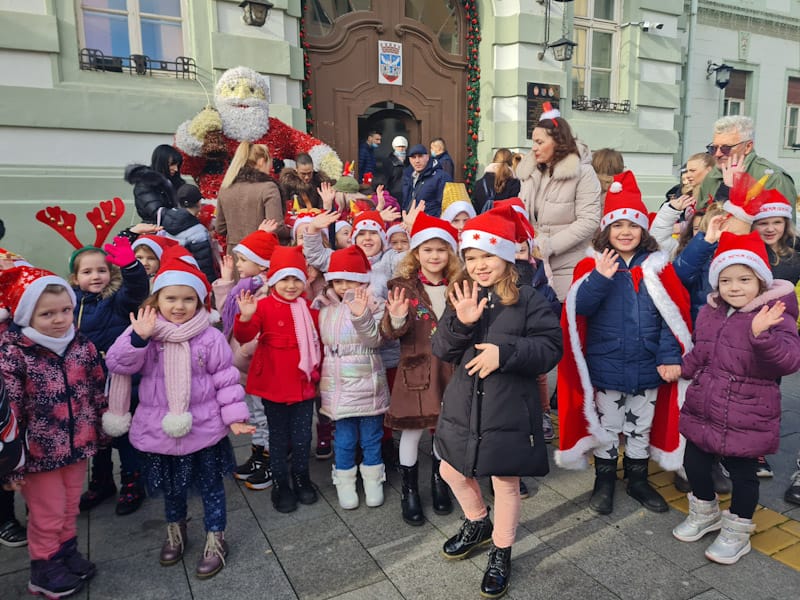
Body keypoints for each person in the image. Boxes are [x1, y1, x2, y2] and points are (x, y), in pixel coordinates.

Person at [433, 206, 562, 598]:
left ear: (507, 255)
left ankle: (501, 551)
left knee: (505, 482)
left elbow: (549, 347)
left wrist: (503, 354)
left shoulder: (529, 298)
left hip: (508, 409)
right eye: (471, 257)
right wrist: (461, 323)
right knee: (451, 470)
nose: (478, 265)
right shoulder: (461, 294)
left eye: (487, 255)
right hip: (463, 406)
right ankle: (477, 521)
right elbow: (442, 347)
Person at [104, 257, 252, 579]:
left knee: (212, 487)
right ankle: (176, 529)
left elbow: (225, 379)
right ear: (157, 299)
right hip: (161, 431)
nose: (180, 306)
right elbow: (118, 363)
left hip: (204, 429)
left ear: (199, 301)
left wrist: (235, 416)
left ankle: (216, 537)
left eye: (188, 299)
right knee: (172, 489)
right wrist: (138, 339)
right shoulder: (144, 331)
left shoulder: (209, 337)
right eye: (171, 298)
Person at [556, 171, 692, 517]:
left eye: (632, 225)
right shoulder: (593, 265)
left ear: (643, 231)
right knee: (607, 426)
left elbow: (672, 318)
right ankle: (604, 481)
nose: (625, 232)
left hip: (648, 367)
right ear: (606, 231)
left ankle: (637, 479)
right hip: (606, 366)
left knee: (640, 427)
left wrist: (669, 355)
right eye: (617, 226)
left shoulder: (658, 267)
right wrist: (599, 279)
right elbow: (579, 309)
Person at [674, 231, 800, 564]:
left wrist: (761, 336)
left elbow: (789, 360)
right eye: (726, 279)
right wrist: (682, 369)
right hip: (706, 405)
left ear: (761, 280)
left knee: (743, 474)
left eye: (745, 278)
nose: (734, 287)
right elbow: (702, 351)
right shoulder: (711, 312)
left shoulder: (776, 314)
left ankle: (737, 530)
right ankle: (705, 512)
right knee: (694, 464)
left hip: (748, 413)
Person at [0, 266, 107, 598]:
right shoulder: (14, 353)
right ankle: (44, 567)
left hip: (78, 443)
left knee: (70, 504)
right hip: (38, 454)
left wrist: (102, 428)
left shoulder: (80, 344)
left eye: (65, 310)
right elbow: (9, 411)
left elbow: (96, 386)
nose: (60, 319)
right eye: (47, 314)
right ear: (24, 313)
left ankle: (65, 551)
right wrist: (11, 464)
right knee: (47, 511)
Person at [382, 214, 460, 525]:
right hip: (415, 371)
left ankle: (440, 484)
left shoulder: (459, 286)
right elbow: (391, 331)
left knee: (442, 431)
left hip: (449, 370)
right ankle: (410, 491)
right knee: (412, 432)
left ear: (451, 253)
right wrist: (398, 318)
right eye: (427, 249)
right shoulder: (403, 288)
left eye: (441, 249)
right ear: (416, 253)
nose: (434, 256)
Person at [233, 246, 322, 514]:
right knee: (279, 437)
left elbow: (321, 340)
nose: (291, 285)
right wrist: (246, 316)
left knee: (303, 436)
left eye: (296, 279)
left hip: (303, 384)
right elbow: (244, 336)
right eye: (284, 279)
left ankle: (301, 477)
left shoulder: (309, 308)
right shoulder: (263, 306)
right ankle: (281, 483)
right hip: (273, 384)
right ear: (273, 280)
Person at [69, 238, 150, 516]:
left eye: (101, 270)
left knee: (123, 430)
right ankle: (102, 480)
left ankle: (132, 480)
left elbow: (137, 290)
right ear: (75, 277)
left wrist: (130, 266)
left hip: (119, 379)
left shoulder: (116, 299)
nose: (95, 276)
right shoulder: (71, 304)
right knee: (97, 434)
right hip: (87, 381)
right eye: (87, 272)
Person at [314, 246, 389, 509]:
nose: (343, 285)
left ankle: (373, 479)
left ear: (364, 280)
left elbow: (375, 340)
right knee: (344, 439)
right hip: (337, 386)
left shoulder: (375, 304)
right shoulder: (324, 306)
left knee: (371, 437)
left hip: (368, 383)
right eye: (338, 280)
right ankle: (345, 481)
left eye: (350, 279)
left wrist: (361, 314)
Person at [213, 229, 279, 492]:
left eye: (242, 260)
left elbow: (260, 331)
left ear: (261, 262)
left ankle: (269, 461)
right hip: (242, 366)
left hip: (254, 364)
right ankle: (258, 455)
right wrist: (226, 282)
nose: (238, 265)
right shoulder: (243, 287)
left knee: (263, 415)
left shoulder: (265, 290)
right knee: (252, 413)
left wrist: (241, 354)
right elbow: (224, 315)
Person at [517, 103, 602, 302]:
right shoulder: (531, 172)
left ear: (557, 141)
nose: (534, 148)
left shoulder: (583, 172)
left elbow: (589, 221)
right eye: (533, 142)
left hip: (568, 265)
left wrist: (549, 245)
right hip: (533, 264)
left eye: (539, 142)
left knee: (562, 325)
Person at [698, 116, 797, 209]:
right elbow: (700, 220)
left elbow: (783, 225)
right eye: (714, 148)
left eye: (726, 148)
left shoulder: (773, 177)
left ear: (748, 147)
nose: (717, 154)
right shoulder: (711, 177)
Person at [216, 142, 289, 253]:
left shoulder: (226, 187)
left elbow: (220, 228)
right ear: (261, 161)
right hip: (260, 254)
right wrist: (294, 230)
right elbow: (276, 226)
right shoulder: (268, 187)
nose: (270, 168)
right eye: (269, 163)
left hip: (235, 253)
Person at [159, 184, 217, 284]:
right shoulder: (198, 231)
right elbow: (204, 264)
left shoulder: (166, 218)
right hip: (189, 278)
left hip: (169, 273)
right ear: (199, 203)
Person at [125, 144, 185, 224]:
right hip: (153, 228)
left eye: (177, 165)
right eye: (172, 164)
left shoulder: (173, 181)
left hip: (173, 226)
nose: (176, 169)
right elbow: (156, 211)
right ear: (161, 163)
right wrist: (185, 216)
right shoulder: (145, 184)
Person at [401, 144, 452, 217]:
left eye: (420, 156)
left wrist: (426, 220)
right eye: (413, 157)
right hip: (409, 223)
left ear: (427, 157)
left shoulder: (441, 177)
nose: (417, 161)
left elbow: (446, 206)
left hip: (430, 224)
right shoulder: (408, 176)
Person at [470, 149, 520, 214]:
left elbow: (475, 209)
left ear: (493, 161)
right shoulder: (515, 184)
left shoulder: (479, 183)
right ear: (511, 162)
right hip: (504, 223)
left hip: (483, 222)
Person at [383, 135, 408, 201]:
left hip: (407, 191)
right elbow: (385, 178)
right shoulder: (389, 161)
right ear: (394, 147)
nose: (401, 149)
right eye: (398, 146)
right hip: (393, 192)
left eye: (403, 146)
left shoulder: (409, 160)